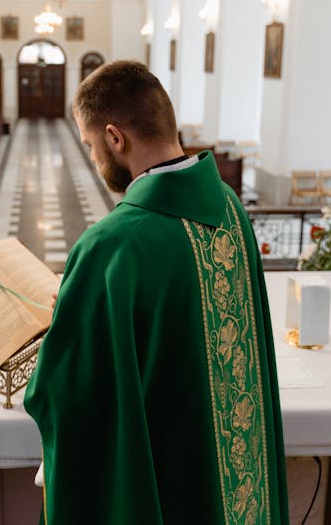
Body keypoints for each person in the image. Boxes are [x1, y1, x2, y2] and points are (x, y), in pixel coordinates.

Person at [24, 60, 289, 525]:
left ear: (114, 137)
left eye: (90, 145)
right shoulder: (228, 205)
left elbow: (69, 392)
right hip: (228, 468)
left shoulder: (114, 243)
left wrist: (68, 322)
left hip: (166, 476)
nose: (93, 157)